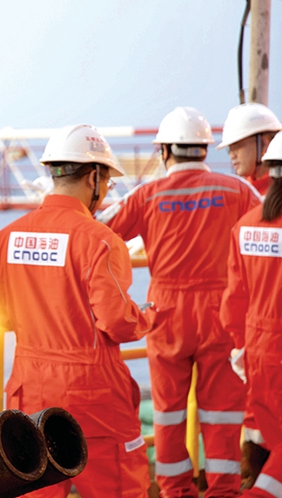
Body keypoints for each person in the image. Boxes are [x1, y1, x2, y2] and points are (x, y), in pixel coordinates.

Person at [100, 107, 258, 497]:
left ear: (165, 151)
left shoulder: (148, 194)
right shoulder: (236, 190)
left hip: (166, 313)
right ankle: (223, 490)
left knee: (168, 413)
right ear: (204, 149)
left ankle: (175, 490)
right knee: (222, 412)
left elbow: (96, 231)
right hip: (222, 312)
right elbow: (269, 223)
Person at [0, 124, 153, 497]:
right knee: (119, 487)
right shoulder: (100, 240)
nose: (105, 191)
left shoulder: (7, 237)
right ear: (93, 177)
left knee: (35, 487)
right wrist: (149, 315)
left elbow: (1, 317)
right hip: (92, 394)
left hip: (29, 389)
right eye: (107, 182)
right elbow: (117, 322)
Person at [218, 102, 281, 484]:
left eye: (236, 145)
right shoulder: (245, 202)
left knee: (262, 434)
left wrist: (242, 345)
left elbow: (234, 300)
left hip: (254, 347)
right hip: (262, 344)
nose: (231, 154)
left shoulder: (246, 221)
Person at [218, 102, 282, 196]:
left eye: (237, 147)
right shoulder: (245, 189)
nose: (232, 156)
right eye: (229, 149)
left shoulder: (276, 191)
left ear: (264, 144)